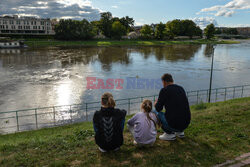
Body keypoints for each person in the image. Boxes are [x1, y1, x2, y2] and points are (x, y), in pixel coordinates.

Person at [154, 73, 191, 141]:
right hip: (185, 124)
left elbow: (158, 108)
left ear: (164, 81)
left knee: (155, 111)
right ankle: (180, 132)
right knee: (177, 110)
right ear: (172, 80)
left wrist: (156, 103)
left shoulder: (164, 90)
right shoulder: (181, 88)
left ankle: (169, 134)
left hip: (173, 124)